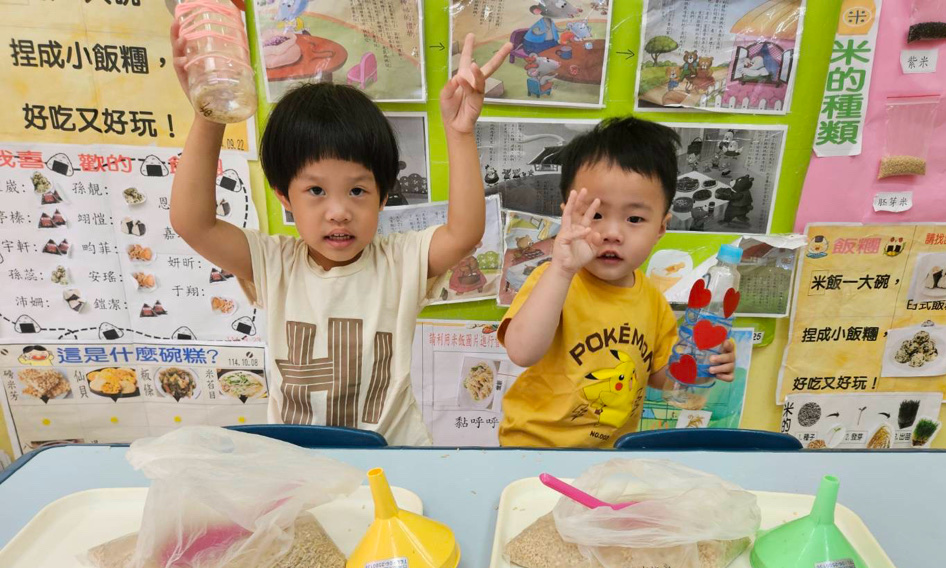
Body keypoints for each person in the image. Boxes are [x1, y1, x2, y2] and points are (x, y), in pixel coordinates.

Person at [169, 28, 510, 445]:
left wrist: (459, 133)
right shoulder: (275, 263)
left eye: (357, 191)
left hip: (392, 456)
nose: (338, 212)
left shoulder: (399, 261)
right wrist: (210, 111)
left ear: (382, 196)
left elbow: (464, 233)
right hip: (299, 459)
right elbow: (193, 223)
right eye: (316, 190)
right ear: (284, 195)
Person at [497, 117, 736, 448]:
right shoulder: (552, 280)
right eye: (595, 215)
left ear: (661, 228)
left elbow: (660, 377)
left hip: (610, 452)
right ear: (568, 216)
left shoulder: (652, 300)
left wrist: (704, 364)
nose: (612, 233)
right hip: (535, 447)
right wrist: (562, 270)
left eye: (634, 218)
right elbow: (522, 352)